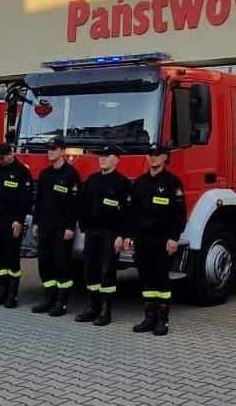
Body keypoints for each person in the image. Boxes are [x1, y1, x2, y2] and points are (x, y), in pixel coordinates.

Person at [123, 143, 185, 336]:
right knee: (146, 278)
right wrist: (129, 236)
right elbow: (131, 213)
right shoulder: (140, 183)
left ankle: (162, 320)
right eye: (151, 154)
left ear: (165, 157)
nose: (153, 158)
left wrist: (174, 238)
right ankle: (149, 318)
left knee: (161, 279)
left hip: (162, 239)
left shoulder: (172, 183)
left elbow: (180, 214)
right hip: (143, 239)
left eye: (157, 154)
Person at [74, 143, 130, 326]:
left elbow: (128, 212)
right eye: (101, 156)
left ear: (116, 160)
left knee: (107, 272)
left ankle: (106, 311)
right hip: (92, 233)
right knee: (90, 271)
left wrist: (122, 235)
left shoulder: (122, 183)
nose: (102, 159)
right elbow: (82, 204)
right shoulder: (92, 180)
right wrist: (83, 226)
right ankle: (92, 307)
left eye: (107, 157)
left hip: (110, 234)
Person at [30, 137, 81, 317]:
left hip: (62, 228)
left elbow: (74, 205)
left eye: (53, 148)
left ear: (62, 151)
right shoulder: (45, 174)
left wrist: (70, 227)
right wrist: (35, 223)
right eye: (48, 149)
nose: (49, 152)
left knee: (61, 264)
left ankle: (61, 302)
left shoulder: (71, 174)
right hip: (45, 226)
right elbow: (39, 201)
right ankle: (49, 298)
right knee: (44, 263)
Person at [0, 143, 32, 309]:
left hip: (13, 221)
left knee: (11, 256)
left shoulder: (21, 171)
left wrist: (19, 220)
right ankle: (1, 292)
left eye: (3, 157)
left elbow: (25, 199)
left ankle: (12, 295)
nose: (0, 160)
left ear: (11, 154)